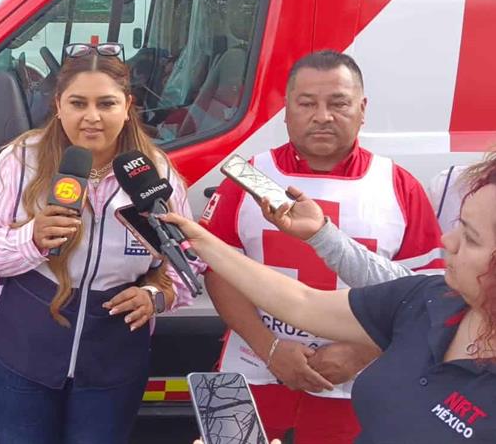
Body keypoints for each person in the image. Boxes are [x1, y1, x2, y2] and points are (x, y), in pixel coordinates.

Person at [165, 150, 496, 443]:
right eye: (458, 225)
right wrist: (199, 241)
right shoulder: (429, 298)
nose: (448, 241)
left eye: (470, 237)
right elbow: (302, 303)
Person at [0, 44, 200, 444]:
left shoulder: (154, 174)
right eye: (78, 103)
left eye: (106, 103)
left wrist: (157, 296)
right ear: (58, 105)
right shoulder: (21, 161)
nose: (92, 117)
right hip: (23, 345)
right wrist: (30, 239)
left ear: (128, 106)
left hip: (114, 354)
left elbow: (188, 264)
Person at [202, 50, 444, 443]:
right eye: (307, 103)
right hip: (249, 375)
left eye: (338, 103)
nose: (322, 116)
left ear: (362, 109)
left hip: (357, 389)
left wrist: (361, 352)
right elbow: (218, 271)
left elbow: (429, 294)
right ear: (286, 110)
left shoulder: (399, 186)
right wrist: (270, 348)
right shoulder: (247, 177)